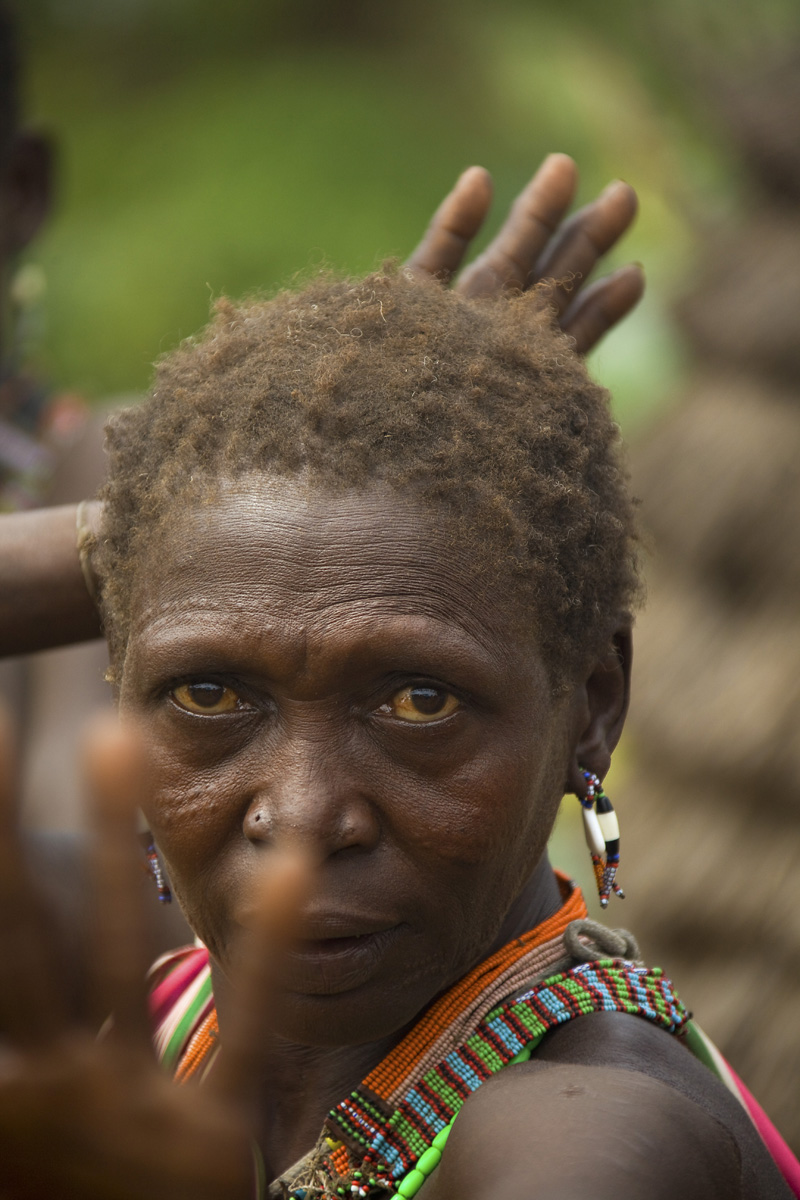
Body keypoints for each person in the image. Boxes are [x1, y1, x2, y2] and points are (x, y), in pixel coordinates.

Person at [7, 175, 797, 1200]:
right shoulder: (162, 987)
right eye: (209, 695)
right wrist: (181, 522)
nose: (302, 816)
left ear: (593, 706)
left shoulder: (600, 1132)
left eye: (419, 703)